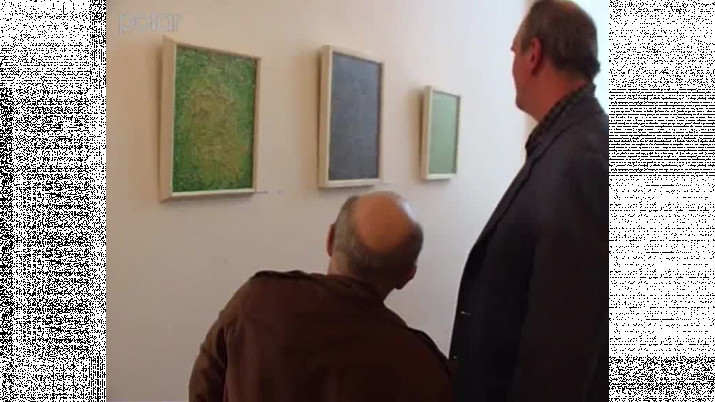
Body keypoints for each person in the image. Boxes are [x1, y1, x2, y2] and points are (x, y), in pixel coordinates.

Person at [449, 1, 608, 401]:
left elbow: (564, 343)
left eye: (513, 52)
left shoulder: (581, 160)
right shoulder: (568, 143)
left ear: (533, 54)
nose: (512, 68)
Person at [189, 191, 452, 402]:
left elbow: (204, 388)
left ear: (330, 239)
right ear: (408, 275)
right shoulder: (423, 367)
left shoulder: (257, 301)